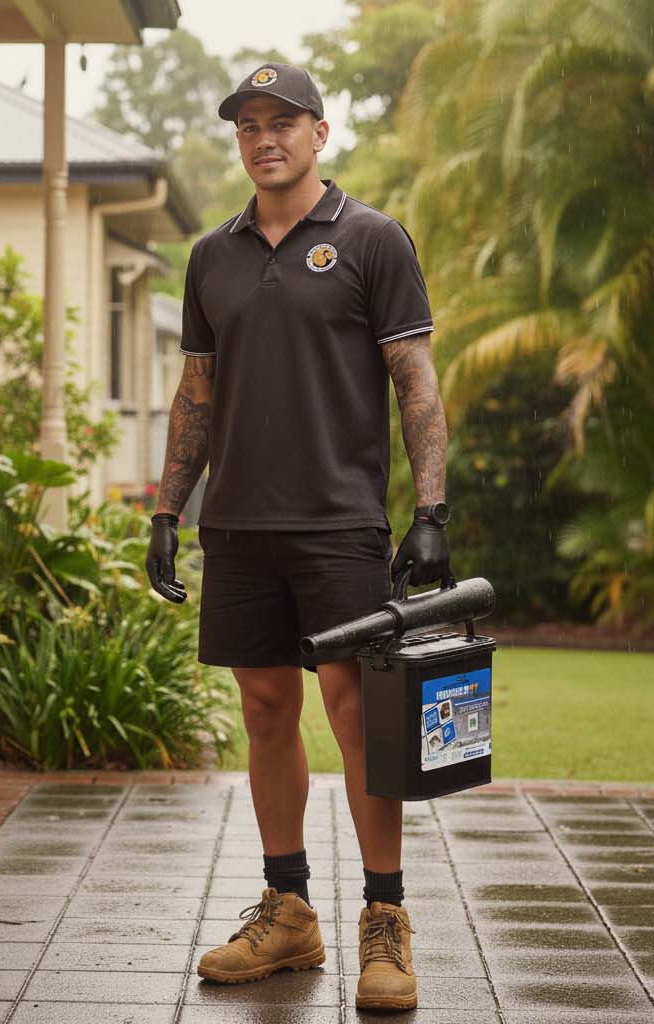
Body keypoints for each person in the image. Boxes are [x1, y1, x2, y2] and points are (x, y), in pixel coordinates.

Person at [145, 61, 453, 1013]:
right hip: (237, 524)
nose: (264, 137)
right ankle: (288, 914)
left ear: (320, 134)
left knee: (359, 717)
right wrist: (167, 508)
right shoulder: (213, 257)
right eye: (249, 125)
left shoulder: (371, 240)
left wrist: (431, 514)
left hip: (337, 525)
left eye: (284, 122)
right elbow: (197, 392)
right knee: (266, 713)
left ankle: (386, 921)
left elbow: (416, 383)